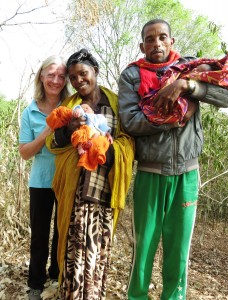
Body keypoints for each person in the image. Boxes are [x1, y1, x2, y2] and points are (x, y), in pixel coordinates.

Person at [118, 19, 228, 300]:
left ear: (171, 42)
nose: (157, 43)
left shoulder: (189, 68)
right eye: (150, 39)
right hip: (151, 172)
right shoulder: (132, 77)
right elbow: (129, 121)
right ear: (142, 46)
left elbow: (226, 97)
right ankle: (136, 297)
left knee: (178, 249)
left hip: (187, 173)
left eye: (162, 37)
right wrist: (171, 119)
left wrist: (187, 87)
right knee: (144, 248)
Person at [45, 48, 134, 300]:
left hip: (104, 190)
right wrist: (69, 130)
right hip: (75, 191)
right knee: (72, 254)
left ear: (95, 71)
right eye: (72, 77)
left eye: (83, 74)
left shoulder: (115, 103)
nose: (78, 81)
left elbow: (128, 141)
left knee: (97, 253)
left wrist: (105, 148)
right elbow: (54, 142)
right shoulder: (69, 106)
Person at [19, 55, 72, 300]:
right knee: (40, 234)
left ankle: (56, 275)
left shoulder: (72, 105)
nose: (56, 80)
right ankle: (35, 282)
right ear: (41, 76)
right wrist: (47, 130)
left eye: (61, 75)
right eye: (51, 74)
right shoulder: (30, 112)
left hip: (66, 180)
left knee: (62, 233)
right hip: (40, 182)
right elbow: (25, 153)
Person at [46, 103, 113, 170]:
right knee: (78, 135)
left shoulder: (99, 116)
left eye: (87, 107)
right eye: (83, 108)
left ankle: (96, 152)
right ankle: (80, 146)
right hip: (84, 131)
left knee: (100, 139)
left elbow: (104, 127)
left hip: (95, 133)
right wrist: (70, 128)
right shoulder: (74, 107)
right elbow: (54, 141)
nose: (85, 109)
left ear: (93, 111)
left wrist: (108, 135)